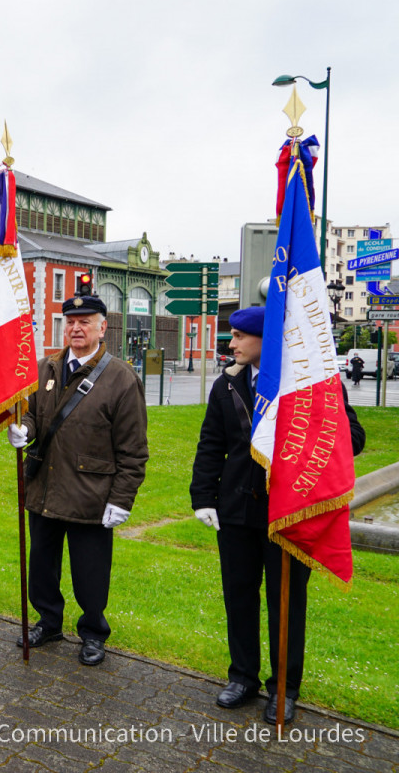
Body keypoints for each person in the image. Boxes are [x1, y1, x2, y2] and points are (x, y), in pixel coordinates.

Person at [190, 306, 365, 724]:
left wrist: (312, 428)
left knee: (287, 604)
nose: (231, 344)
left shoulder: (312, 387)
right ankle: (242, 677)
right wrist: (203, 498)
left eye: (238, 336)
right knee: (239, 596)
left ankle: (284, 688)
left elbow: (352, 438)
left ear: (266, 341)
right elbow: (211, 444)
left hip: (288, 514)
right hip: (236, 511)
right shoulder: (226, 384)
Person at [7, 292, 148, 666]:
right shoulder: (46, 367)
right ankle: (49, 622)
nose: (76, 328)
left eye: (85, 321)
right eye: (70, 321)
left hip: (92, 494)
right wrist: (24, 427)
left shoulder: (121, 378)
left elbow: (133, 450)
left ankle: (93, 632)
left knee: (90, 572)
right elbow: (36, 413)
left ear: (103, 328)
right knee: (42, 566)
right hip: (45, 488)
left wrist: (122, 498)